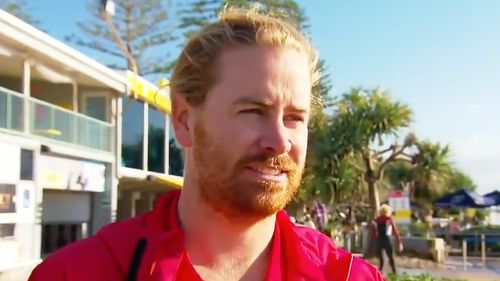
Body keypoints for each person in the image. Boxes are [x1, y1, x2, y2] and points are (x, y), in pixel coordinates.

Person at [29, 8, 385, 281]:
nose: (279, 141)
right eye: (252, 111)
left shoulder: (346, 275)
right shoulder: (80, 272)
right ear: (184, 120)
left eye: (294, 117)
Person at [373, 204, 404, 274]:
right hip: (387, 239)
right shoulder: (389, 219)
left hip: (379, 240)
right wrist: (399, 242)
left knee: (381, 261)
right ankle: (395, 275)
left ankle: (378, 276)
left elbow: (375, 233)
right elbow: (395, 231)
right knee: (391, 258)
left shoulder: (377, 220)